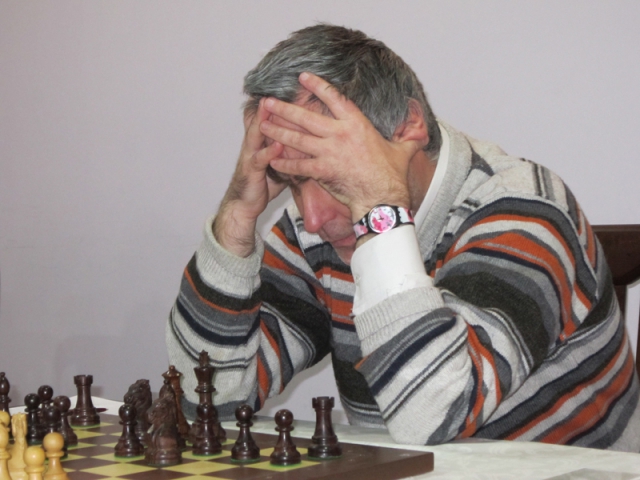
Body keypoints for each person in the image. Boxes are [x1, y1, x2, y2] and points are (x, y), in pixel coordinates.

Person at [166, 24, 640, 451]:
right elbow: (211, 402)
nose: (311, 218)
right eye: (293, 181)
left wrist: (378, 213)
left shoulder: (524, 208)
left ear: (409, 125)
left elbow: (436, 415)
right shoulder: (314, 232)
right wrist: (236, 217)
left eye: (332, 177)